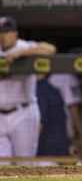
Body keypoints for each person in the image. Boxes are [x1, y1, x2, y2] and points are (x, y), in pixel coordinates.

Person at [0, 16, 56, 162]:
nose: (3, 36)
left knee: (24, 163)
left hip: (23, 113)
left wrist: (20, 54)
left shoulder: (24, 46)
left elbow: (50, 49)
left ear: (15, 34)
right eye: (0, 32)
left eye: (6, 32)